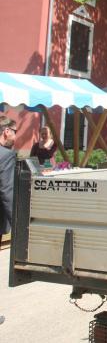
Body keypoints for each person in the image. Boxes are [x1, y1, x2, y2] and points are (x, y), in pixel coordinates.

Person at [1, 116, 18, 326]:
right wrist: (17, 224)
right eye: (14, 131)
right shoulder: (5, 156)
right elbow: (7, 191)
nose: (15, 136)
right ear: (6, 131)